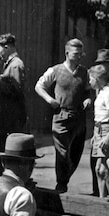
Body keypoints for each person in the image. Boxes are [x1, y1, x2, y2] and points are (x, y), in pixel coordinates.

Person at [35, 38, 91, 193]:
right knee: (62, 152)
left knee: (76, 153)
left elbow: (87, 90)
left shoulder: (84, 72)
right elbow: (39, 86)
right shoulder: (56, 70)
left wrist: (87, 100)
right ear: (67, 53)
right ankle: (61, 184)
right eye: (76, 53)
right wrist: (49, 99)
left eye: (81, 54)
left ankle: (64, 180)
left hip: (79, 117)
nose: (79, 56)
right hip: (61, 117)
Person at [0, 33, 27, 185]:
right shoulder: (11, 64)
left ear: (7, 47)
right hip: (5, 119)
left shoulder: (15, 65)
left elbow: (16, 92)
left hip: (9, 121)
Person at [88, 65, 109, 199]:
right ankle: (102, 199)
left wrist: (108, 137)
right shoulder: (100, 92)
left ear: (97, 78)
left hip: (107, 130)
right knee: (98, 169)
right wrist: (95, 135)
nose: (89, 82)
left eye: (90, 79)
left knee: (105, 169)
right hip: (99, 130)